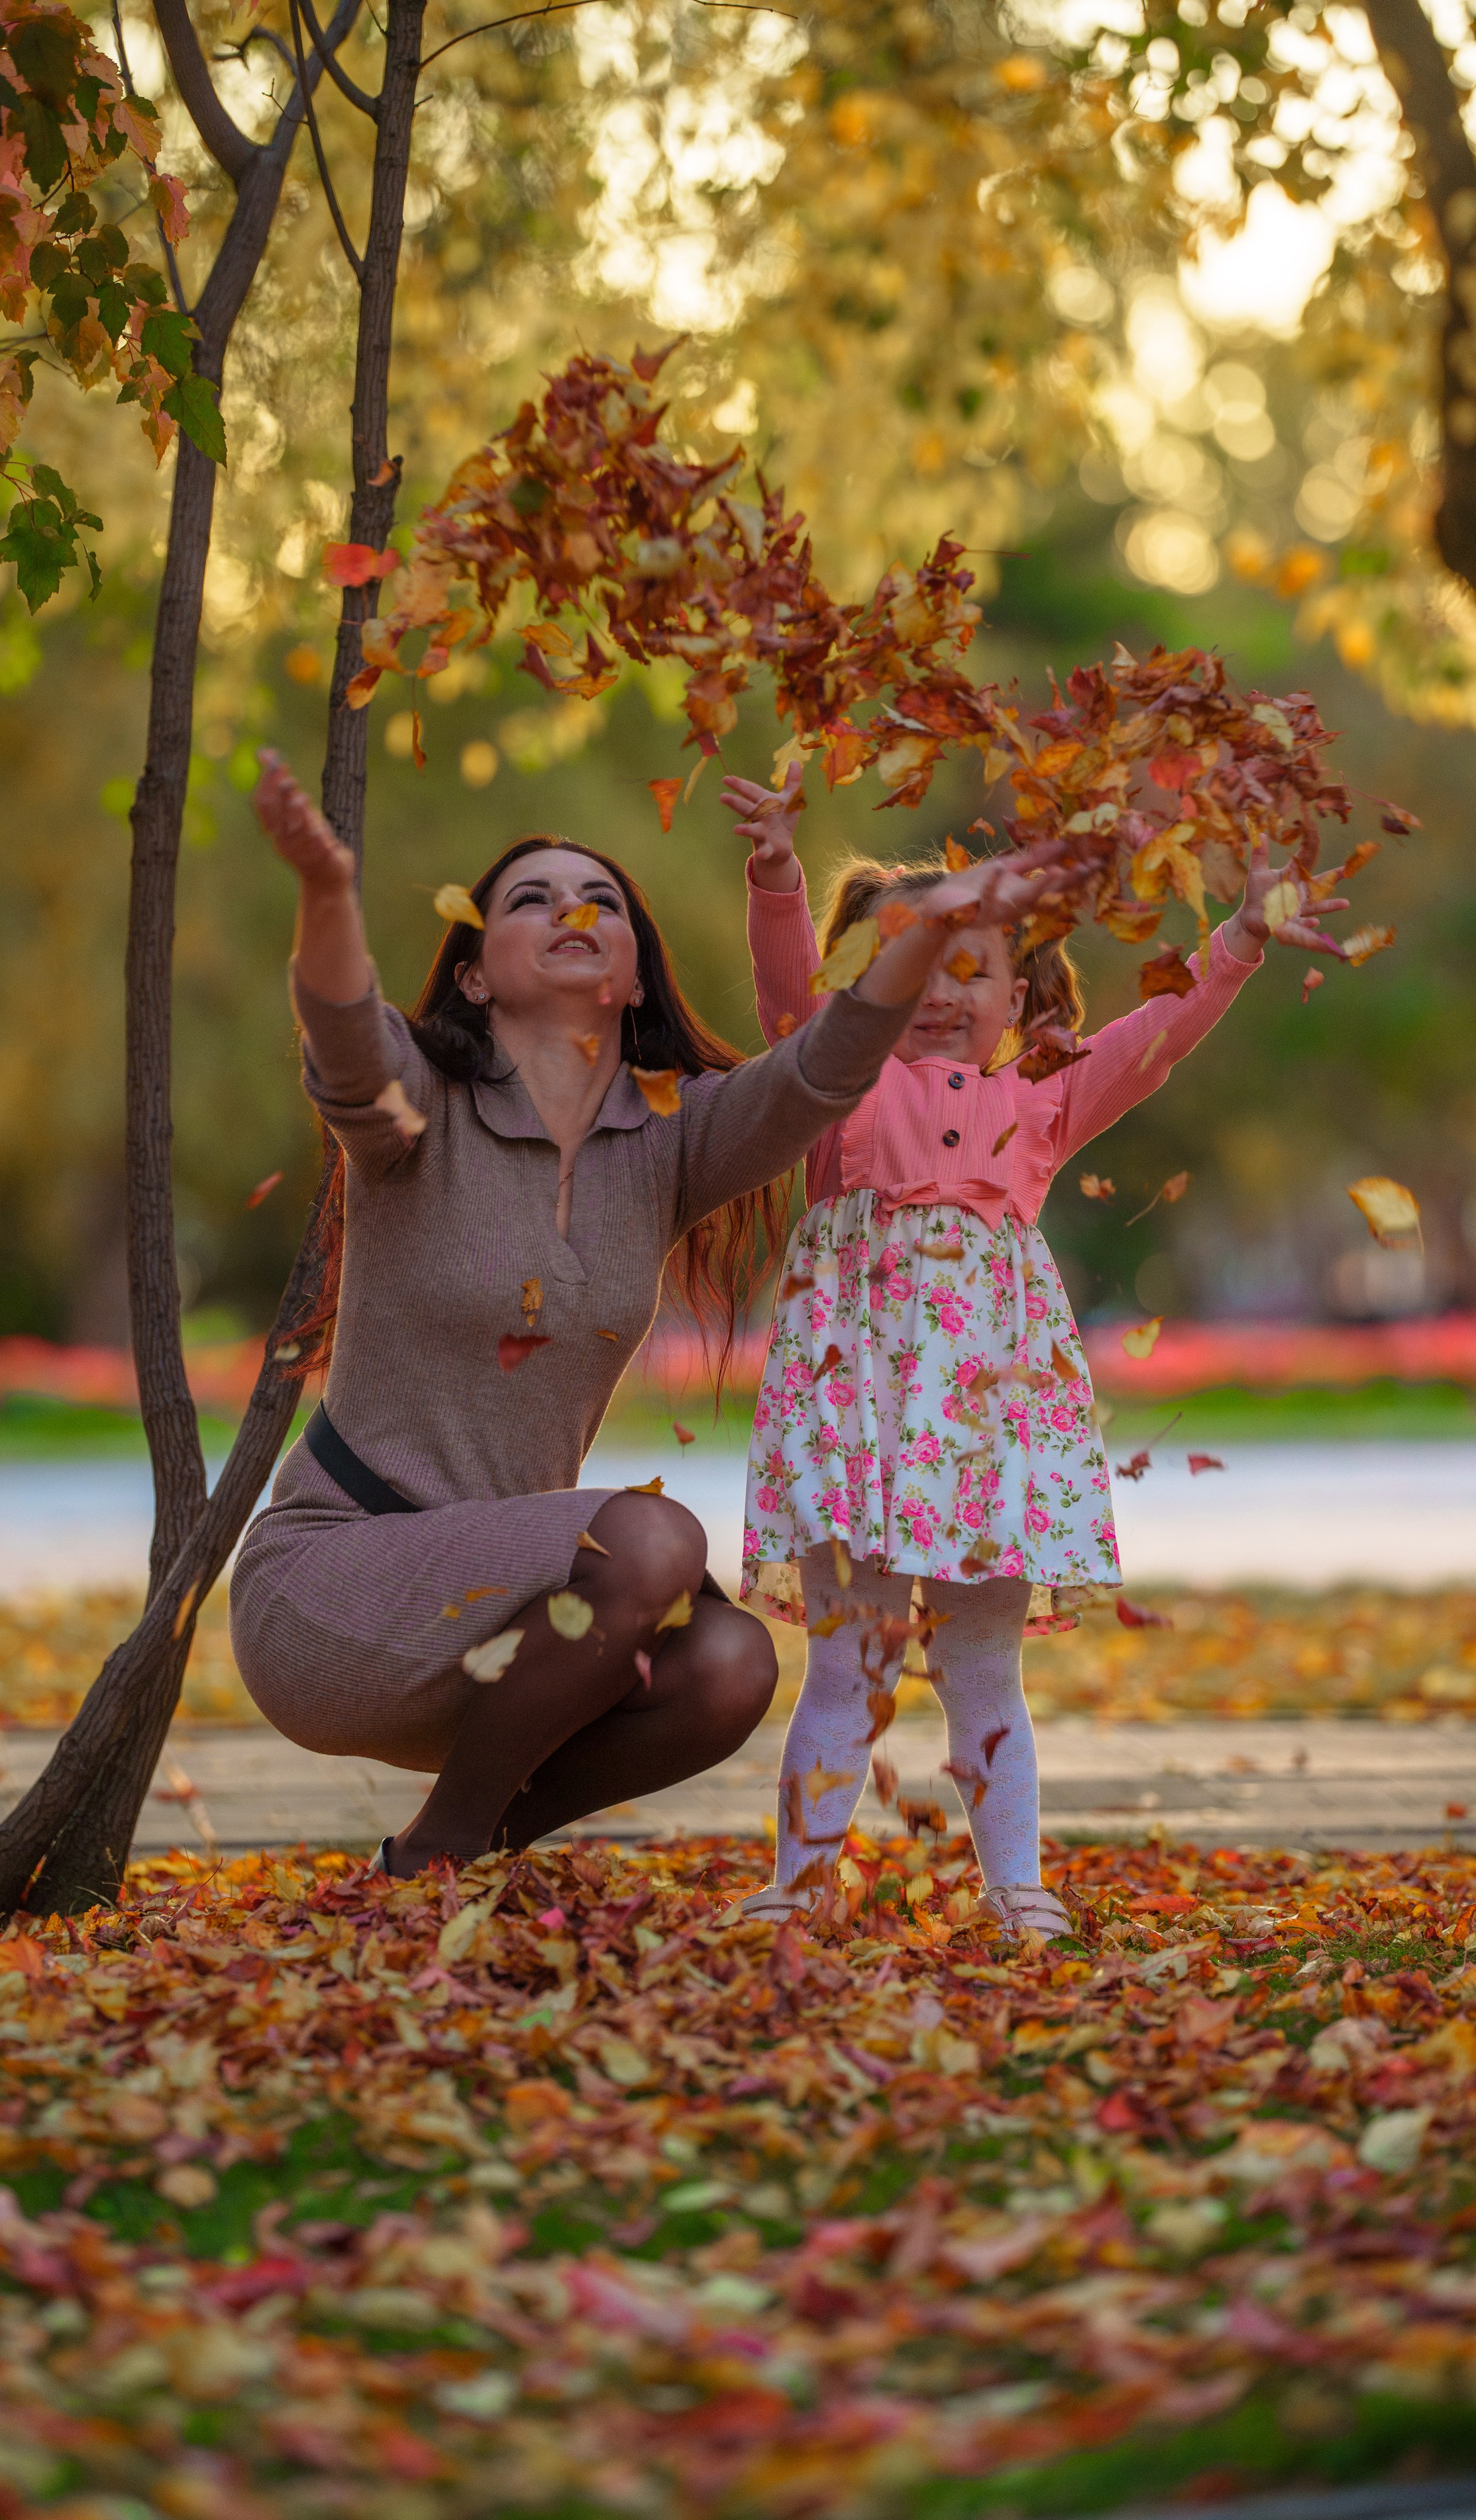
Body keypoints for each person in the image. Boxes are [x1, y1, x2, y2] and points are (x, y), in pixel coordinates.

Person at [229, 752, 1082, 1878]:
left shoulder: (670, 1139)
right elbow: (343, 1033)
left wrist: (931, 927)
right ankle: (442, 1854)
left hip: (518, 1627)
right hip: (334, 1589)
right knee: (656, 1541)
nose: (571, 910)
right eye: (531, 899)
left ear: (635, 980)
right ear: (475, 976)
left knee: (730, 1666)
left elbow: (828, 1065)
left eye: (601, 900)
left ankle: (447, 1858)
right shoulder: (418, 1109)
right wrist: (325, 890)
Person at [721, 761, 1346, 1936]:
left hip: (987, 1427)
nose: (939, 993)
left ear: (1022, 993)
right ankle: (798, 1887)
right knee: (848, 1667)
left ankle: (1017, 1886)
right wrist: (777, 875)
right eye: (906, 967)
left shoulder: (1046, 1100)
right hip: (855, 1416)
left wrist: (1241, 943)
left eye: (971, 969)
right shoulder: (838, 1085)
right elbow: (788, 997)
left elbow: (1156, 1040)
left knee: (981, 1668)